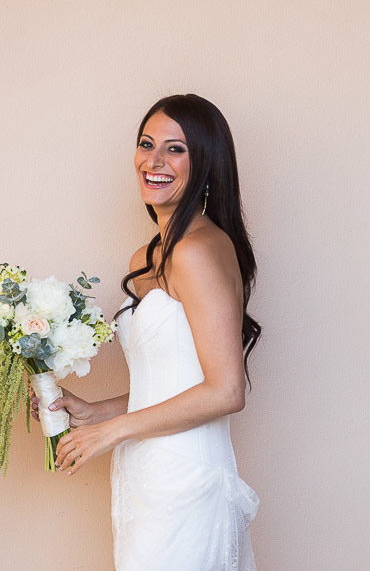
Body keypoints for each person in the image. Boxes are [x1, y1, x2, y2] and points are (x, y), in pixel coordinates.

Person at [32, 93, 262, 570]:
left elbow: (226, 391)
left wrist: (110, 432)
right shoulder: (146, 257)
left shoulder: (198, 250)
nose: (154, 161)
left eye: (175, 149)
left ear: (204, 163)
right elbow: (172, 382)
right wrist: (93, 413)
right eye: (146, 144)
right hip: (143, 476)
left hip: (187, 477)